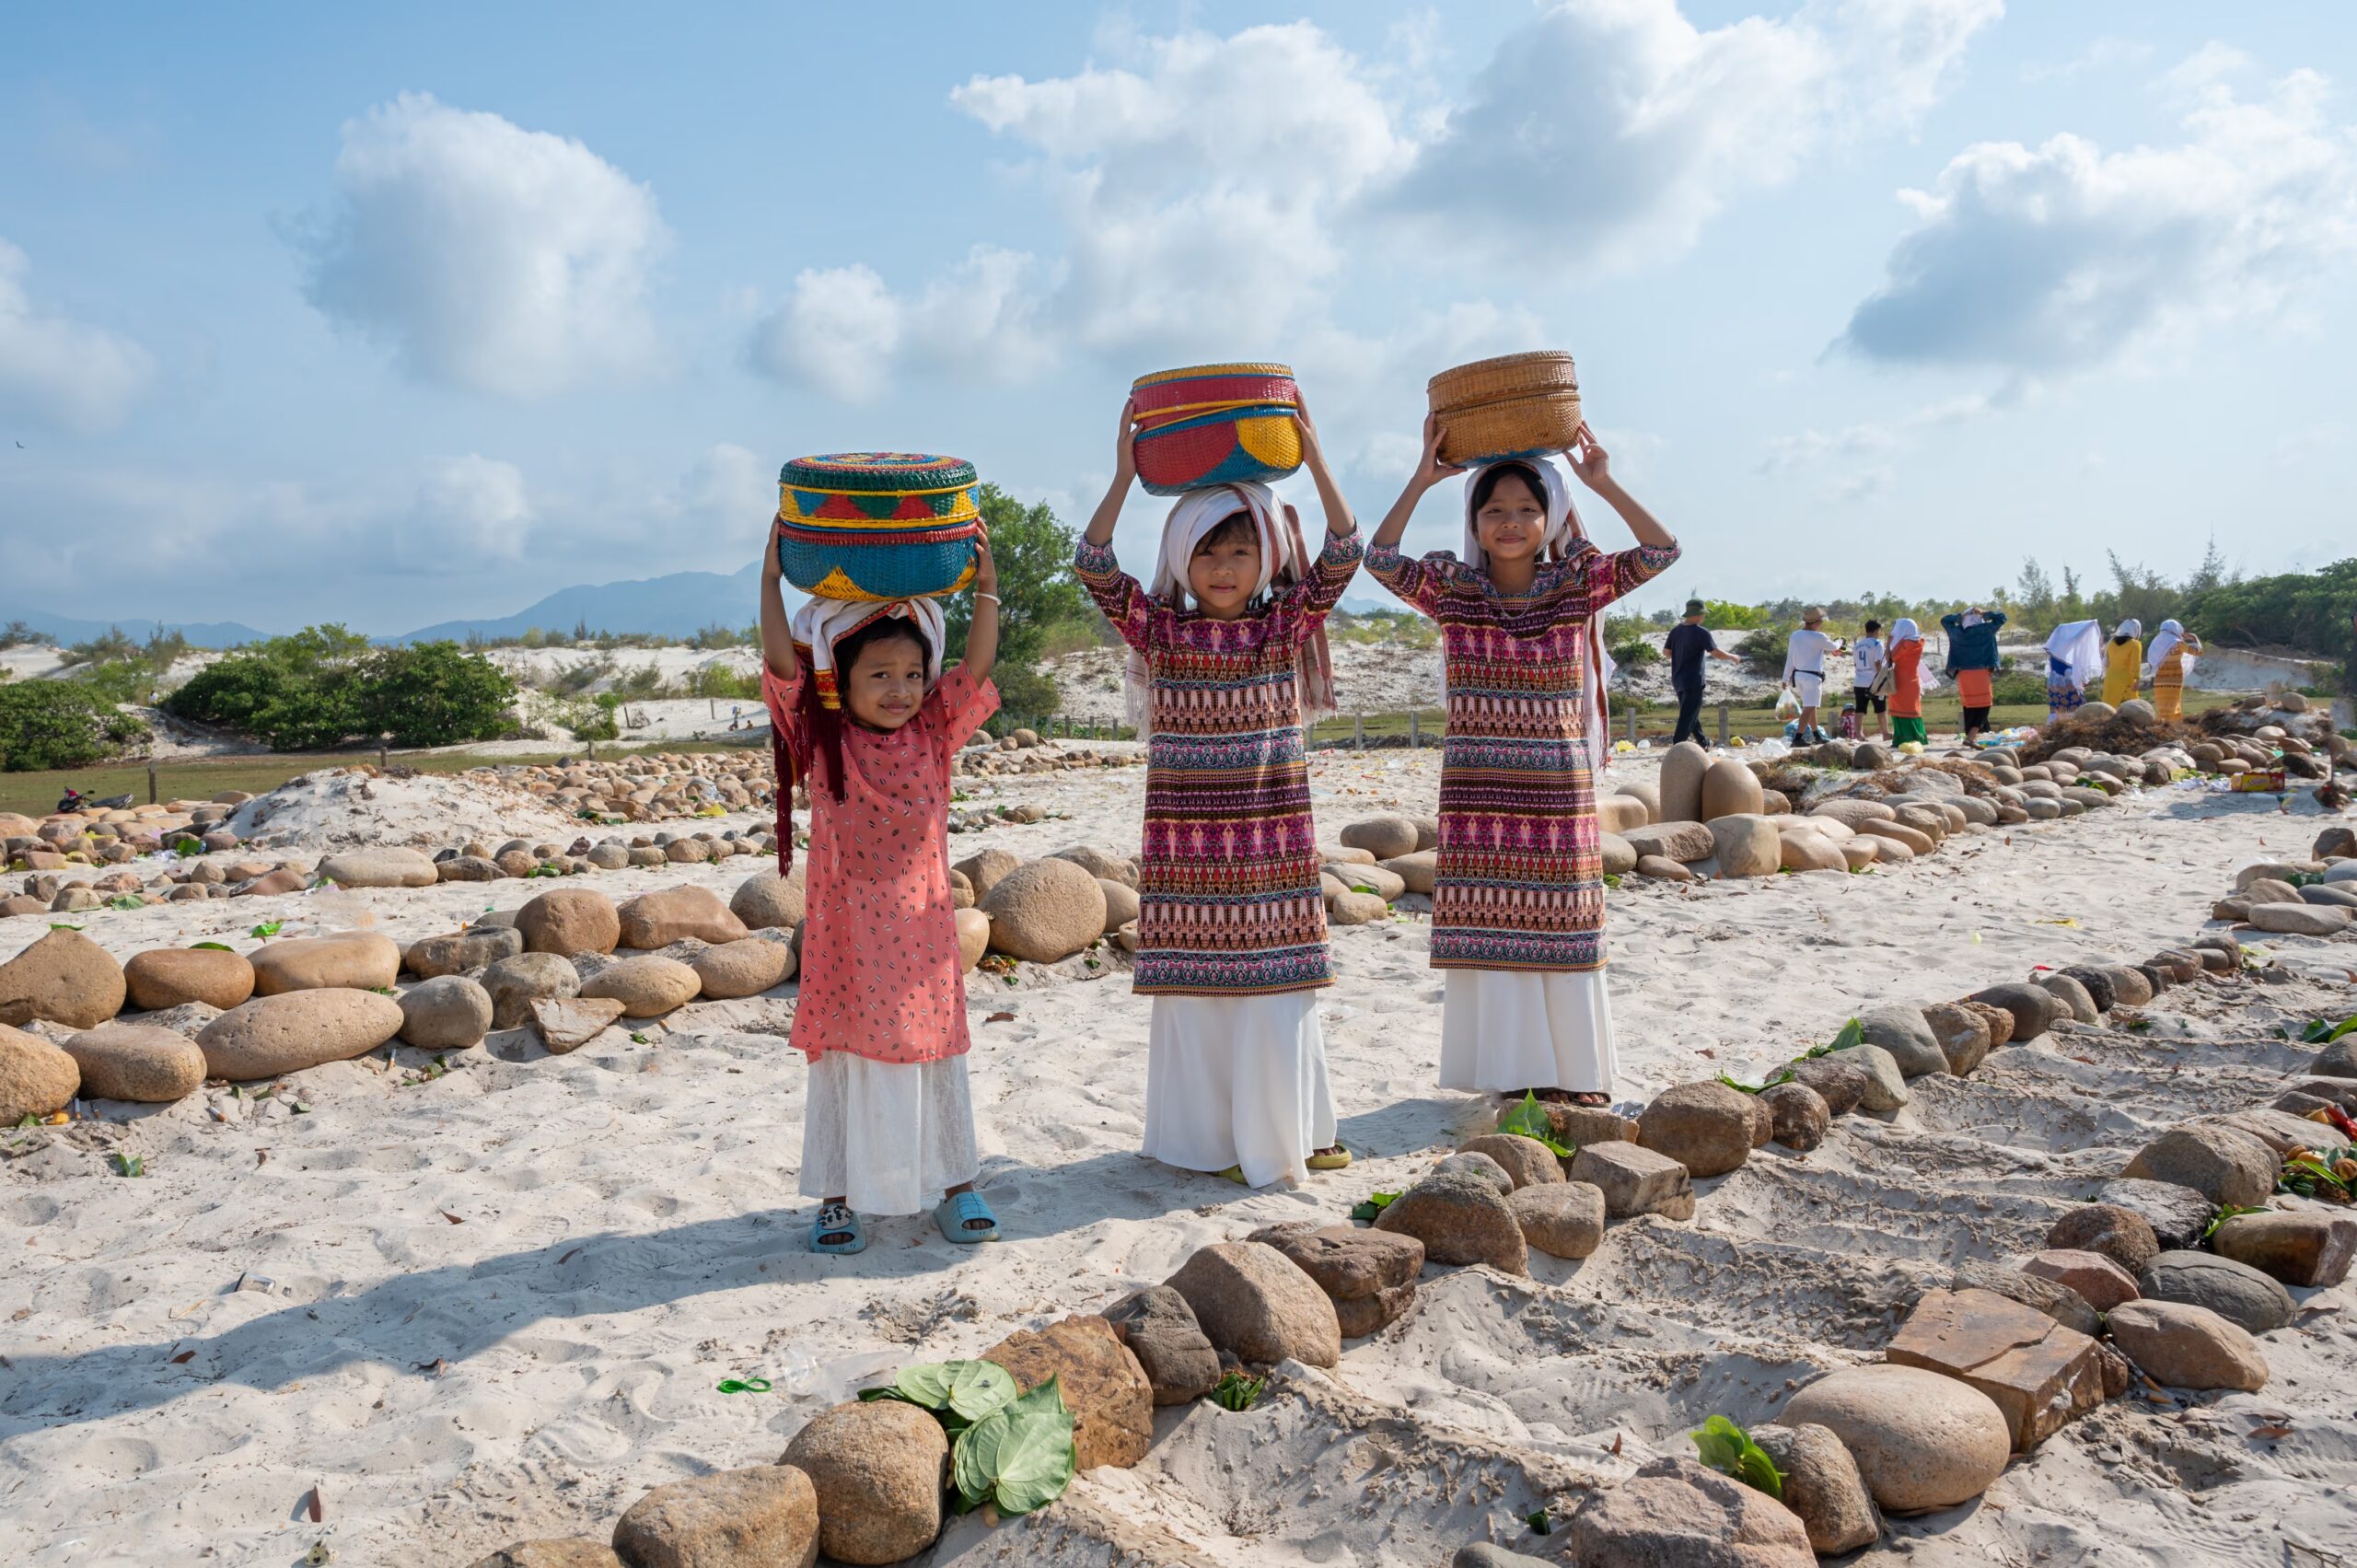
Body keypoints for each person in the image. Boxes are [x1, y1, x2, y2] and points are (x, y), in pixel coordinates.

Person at [1074, 397, 1360, 1188]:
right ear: (1180, 560)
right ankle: (1205, 1144)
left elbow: (1343, 550)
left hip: (1272, 847)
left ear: (1266, 556)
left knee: (1275, 994)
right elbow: (1093, 562)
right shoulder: (1161, 631)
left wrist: (1317, 457)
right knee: (1200, 997)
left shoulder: (1283, 625)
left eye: (1239, 550)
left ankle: (1293, 1132)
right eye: (1206, 554)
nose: (1224, 568)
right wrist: (1126, 476)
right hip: (1188, 849)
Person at [1368, 413, 1678, 1109]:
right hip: (1479, 794)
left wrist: (1603, 482)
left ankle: (1574, 1074)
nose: (1510, 522)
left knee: (1563, 924)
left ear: (1550, 517)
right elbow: (1381, 559)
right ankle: (1510, 1075)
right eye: (1495, 510)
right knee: (1495, 927)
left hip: (1556, 791)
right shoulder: (1455, 590)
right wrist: (1421, 479)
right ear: (1475, 521)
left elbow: (1661, 550)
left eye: (1527, 510)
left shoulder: (1576, 583)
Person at [759, 517, 1004, 1255]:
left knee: (938, 1060)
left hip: (923, 935)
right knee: (844, 1062)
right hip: (849, 940)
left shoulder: (934, 728)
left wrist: (987, 589)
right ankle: (836, 1198)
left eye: (909, 674)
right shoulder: (818, 733)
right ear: (841, 677)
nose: (899, 690)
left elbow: (977, 666)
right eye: (878, 675)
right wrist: (769, 580)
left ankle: (958, 1183)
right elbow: (780, 662)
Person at [1665, 598, 1737, 746]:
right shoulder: (1701, 632)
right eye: (1703, 614)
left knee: (1691, 713)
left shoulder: (1676, 631)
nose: (1704, 617)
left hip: (1678, 679)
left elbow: (1666, 652)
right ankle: (1677, 745)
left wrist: (1681, 653)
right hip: (1694, 679)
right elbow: (1715, 653)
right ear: (1698, 614)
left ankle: (1703, 743)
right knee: (1688, 715)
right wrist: (1732, 656)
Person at [1941, 606, 2007, 744]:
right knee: (1984, 704)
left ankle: (1971, 735)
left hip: (1963, 673)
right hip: (1981, 672)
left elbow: (1945, 620)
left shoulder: (1957, 632)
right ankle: (1971, 736)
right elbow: (2002, 618)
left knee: (1969, 704)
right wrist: (1985, 613)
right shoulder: (1986, 630)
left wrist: (1959, 617)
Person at [1782, 609, 1843, 744]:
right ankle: (1798, 738)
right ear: (1815, 623)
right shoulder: (1819, 637)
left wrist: (1785, 678)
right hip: (1812, 677)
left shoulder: (1795, 635)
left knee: (1811, 706)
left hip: (1798, 676)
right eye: (1820, 622)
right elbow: (1833, 647)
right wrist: (1841, 641)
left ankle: (1816, 735)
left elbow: (1790, 658)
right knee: (1809, 708)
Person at [2043, 619, 2103, 723]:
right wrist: (2091, 624)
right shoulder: (2065, 650)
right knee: (2077, 708)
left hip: (2053, 682)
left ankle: (2056, 727)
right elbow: (2078, 636)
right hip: (2067, 682)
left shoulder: (2056, 648)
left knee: (2057, 709)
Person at [2146, 620, 2202, 721]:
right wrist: (2195, 638)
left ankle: (2163, 725)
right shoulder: (2177, 643)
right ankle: (2172, 725)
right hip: (2174, 677)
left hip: (2159, 679)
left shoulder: (2155, 642)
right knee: (2173, 703)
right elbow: (2198, 652)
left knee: (2162, 706)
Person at [1887, 617, 1927, 749]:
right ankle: (1917, 736)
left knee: (1901, 710)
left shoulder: (1905, 644)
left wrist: (1889, 643)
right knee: (1911, 710)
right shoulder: (1919, 642)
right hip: (1911, 679)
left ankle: (1904, 738)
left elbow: (1890, 657)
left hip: (1901, 680)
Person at [1851, 619, 1889, 739]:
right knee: (1881, 709)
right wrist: (1881, 678)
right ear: (1877, 631)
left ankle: (1859, 734)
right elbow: (1878, 662)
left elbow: (1856, 664)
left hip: (1859, 681)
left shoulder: (1857, 646)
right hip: (1874, 681)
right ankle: (1885, 733)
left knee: (1860, 709)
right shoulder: (1877, 644)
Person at [2102, 619, 2143, 708]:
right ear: (2136, 630)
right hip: (2125, 680)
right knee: (2129, 710)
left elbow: (2107, 662)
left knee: (2108, 709)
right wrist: (2137, 680)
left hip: (2110, 679)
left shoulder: (2111, 643)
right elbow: (2135, 664)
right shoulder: (2135, 644)